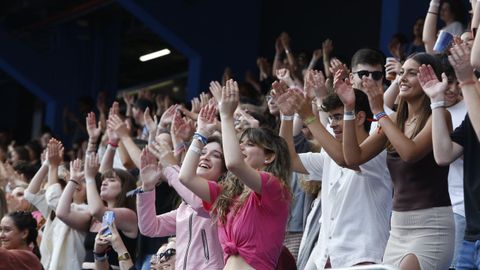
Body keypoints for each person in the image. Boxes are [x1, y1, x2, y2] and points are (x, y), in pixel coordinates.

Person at [340, 52, 454, 270]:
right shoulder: (393, 121)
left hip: (431, 226)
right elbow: (353, 158)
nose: (402, 78)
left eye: (412, 73)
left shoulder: (438, 117)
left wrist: (378, 112)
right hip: (398, 229)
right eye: (401, 72)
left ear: (430, 79)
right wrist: (348, 110)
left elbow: (410, 154)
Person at [275, 81, 392, 269]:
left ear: (360, 117)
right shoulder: (330, 156)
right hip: (326, 257)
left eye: (338, 117)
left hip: (363, 258)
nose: (334, 125)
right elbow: (288, 158)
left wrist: (310, 118)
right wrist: (287, 117)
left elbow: (346, 159)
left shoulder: (377, 153)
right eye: (330, 119)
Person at [179, 80, 292, 270]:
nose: (240, 147)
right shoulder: (228, 194)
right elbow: (186, 177)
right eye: (241, 143)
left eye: (249, 144)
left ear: (269, 156)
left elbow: (233, 163)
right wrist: (201, 134)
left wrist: (226, 116)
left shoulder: (274, 187)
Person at [419, 42, 480, 269]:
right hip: (472, 234)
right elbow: (443, 155)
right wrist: (436, 101)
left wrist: (466, 80)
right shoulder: (470, 114)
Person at [137, 135, 225, 270]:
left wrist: (170, 166)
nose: (205, 157)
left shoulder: (223, 196)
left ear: (224, 170)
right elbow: (149, 227)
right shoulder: (185, 208)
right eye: (202, 153)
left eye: (216, 155)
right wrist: (147, 187)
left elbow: (199, 203)